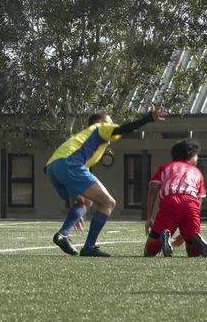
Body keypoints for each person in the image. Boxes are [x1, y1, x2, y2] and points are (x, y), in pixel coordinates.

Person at [50, 105, 168, 257]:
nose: (112, 126)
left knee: (85, 202)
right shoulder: (99, 128)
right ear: (100, 122)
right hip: (70, 164)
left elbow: (72, 175)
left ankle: (63, 234)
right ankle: (89, 246)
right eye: (110, 122)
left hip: (53, 166)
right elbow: (124, 129)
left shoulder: (85, 139)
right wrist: (148, 118)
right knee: (108, 203)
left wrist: (77, 210)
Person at [142, 139, 207, 258]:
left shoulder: (165, 167)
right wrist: (185, 234)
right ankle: (195, 240)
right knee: (193, 252)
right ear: (191, 156)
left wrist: (149, 216)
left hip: (170, 203)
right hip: (191, 204)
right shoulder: (197, 172)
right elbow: (199, 200)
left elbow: (153, 189)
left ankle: (161, 240)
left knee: (148, 251)